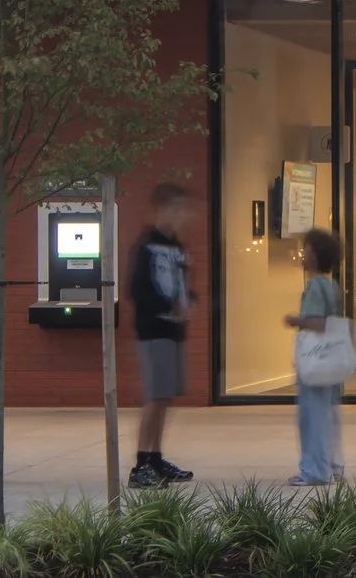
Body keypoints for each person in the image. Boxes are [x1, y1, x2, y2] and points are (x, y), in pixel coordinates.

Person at [126, 180, 196, 489]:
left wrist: (190, 300)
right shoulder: (147, 246)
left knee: (165, 397)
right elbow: (136, 290)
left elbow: (182, 286)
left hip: (174, 330)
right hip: (153, 330)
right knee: (154, 398)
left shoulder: (177, 248)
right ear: (162, 209)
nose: (182, 214)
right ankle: (141, 464)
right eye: (177, 208)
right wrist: (168, 305)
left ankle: (155, 458)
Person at [282, 226, 346, 486]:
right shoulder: (331, 286)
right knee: (329, 415)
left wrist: (296, 320)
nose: (302, 254)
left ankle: (314, 470)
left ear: (315, 256)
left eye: (306, 249)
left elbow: (318, 322)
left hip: (315, 361)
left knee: (312, 417)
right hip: (330, 360)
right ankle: (332, 465)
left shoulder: (315, 286)